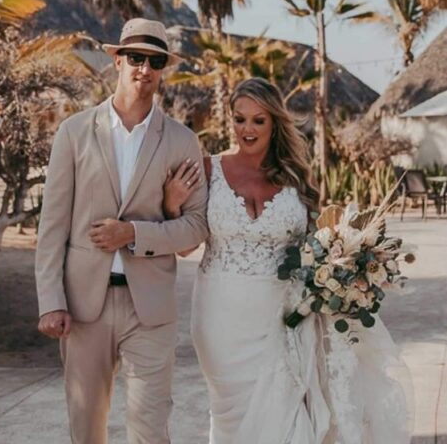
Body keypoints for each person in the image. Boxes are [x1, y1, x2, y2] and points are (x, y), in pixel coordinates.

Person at [164, 77, 411, 444]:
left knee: (288, 411)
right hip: (220, 318)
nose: (246, 129)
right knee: (230, 413)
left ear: (274, 123)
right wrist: (172, 204)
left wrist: (341, 266)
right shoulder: (207, 169)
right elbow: (185, 248)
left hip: (284, 317)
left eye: (258, 120)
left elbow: (317, 240)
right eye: (239, 118)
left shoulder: (295, 177)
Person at [35, 18, 208, 444]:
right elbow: (52, 226)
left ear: (163, 67)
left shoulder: (183, 142)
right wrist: (50, 301)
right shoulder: (74, 133)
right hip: (82, 307)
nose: (144, 69)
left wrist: (133, 233)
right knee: (86, 425)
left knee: (150, 428)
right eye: (135, 57)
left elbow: (197, 227)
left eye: (155, 60)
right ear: (117, 60)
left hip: (149, 307)